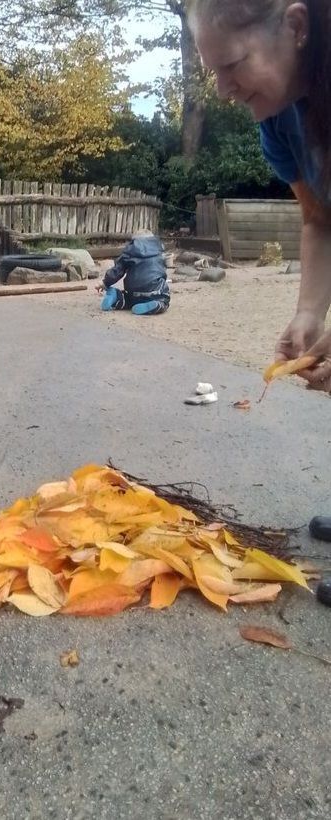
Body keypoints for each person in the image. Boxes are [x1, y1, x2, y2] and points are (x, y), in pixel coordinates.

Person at [188, 0, 331, 602]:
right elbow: (319, 218)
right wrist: (309, 312)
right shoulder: (278, 117)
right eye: (213, 71)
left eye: (233, 65)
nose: (223, 90)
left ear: (295, 27)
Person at [96, 230, 170, 315]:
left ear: (134, 241)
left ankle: (116, 296)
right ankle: (157, 304)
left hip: (133, 293)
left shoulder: (129, 251)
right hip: (154, 292)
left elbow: (117, 270)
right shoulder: (159, 250)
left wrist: (105, 283)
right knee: (164, 298)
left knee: (128, 299)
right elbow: (162, 271)